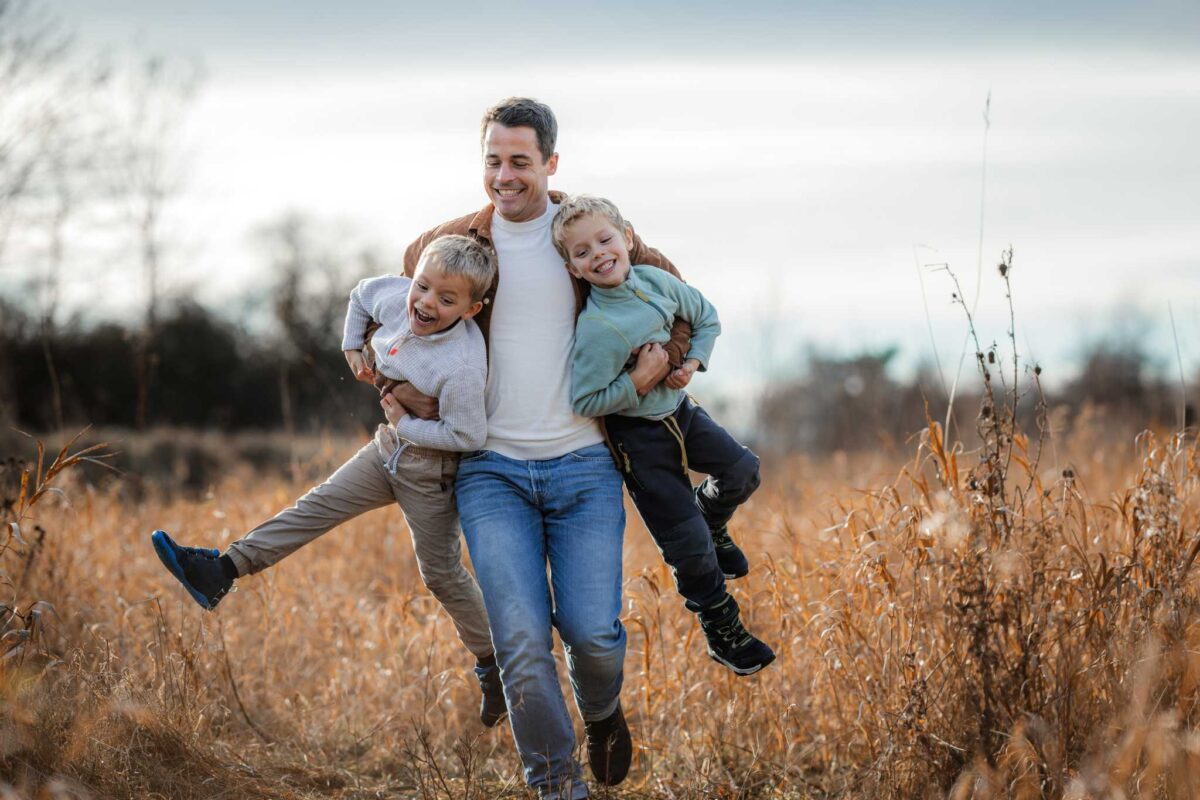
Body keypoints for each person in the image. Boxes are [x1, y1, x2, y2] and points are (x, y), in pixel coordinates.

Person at [392, 97, 690, 799]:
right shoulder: (455, 243)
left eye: (519, 162)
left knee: (592, 635)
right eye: (493, 161)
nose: (504, 176)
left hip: (584, 467)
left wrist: (668, 359)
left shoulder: (587, 235)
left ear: (550, 164)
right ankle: (557, 787)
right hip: (491, 473)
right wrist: (396, 382)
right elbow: (405, 302)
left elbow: (678, 297)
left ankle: (602, 713)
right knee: (523, 642)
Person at [149, 234, 508, 728]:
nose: (426, 303)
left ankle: (494, 665)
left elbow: (467, 433)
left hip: (431, 471)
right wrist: (351, 348)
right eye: (422, 287)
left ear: (471, 309)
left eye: (446, 300)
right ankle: (220, 571)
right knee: (314, 506)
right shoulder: (397, 299)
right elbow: (361, 293)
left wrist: (407, 423)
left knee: (440, 574)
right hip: (386, 452)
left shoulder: (462, 364)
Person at [552, 194, 774, 676]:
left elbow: (707, 317)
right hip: (639, 440)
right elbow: (585, 401)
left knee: (742, 471)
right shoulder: (597, 329)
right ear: (573, 268)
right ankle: (723, 629)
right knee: (686, 545)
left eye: (605, 240)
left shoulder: (658, 282)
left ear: (627, 238)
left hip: (683, 413)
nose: (599, 254)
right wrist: (639, 380)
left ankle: (711, 514)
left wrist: (691, 362)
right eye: (583, 251)